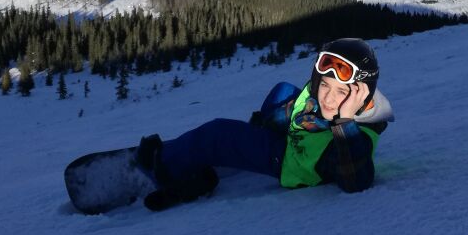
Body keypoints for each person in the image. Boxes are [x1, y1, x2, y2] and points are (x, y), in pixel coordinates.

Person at [135, 38, 393, 211]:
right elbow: (306, 106)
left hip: (289, 161)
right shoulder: (332, 99)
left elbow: (357, 181)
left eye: (341, 91)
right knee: (283, 91)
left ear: (360, 94)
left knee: (219, 133)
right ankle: (258, 133)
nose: (328, 97)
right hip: (298, 136)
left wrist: (344, 120)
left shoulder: (355, 136)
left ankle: (165, 168)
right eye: (324, 85)